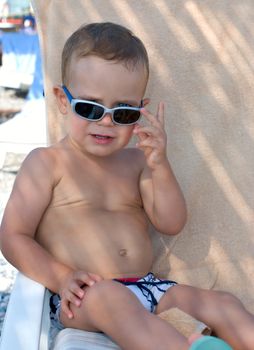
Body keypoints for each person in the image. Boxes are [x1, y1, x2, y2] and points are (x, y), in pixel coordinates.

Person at [0, 22, 253, 350]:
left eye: (123, 113)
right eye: (90, 108)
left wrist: (159, 164)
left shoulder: (137, 163)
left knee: (222, 303)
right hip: (84, 296)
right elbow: (12, 235)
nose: (105, 121)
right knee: (112, 299)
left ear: (140, 110)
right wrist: (60, 277)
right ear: (63, 100)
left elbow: (171, 222)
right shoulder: (48, 163)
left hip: (147, 288)